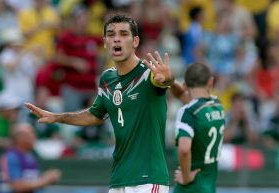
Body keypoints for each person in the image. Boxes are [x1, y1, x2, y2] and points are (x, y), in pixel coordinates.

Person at [25, 14, 175, 193]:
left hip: (149, 179)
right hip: (119, 178)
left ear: (135, 41)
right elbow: (94, 115)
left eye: (123, 34)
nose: (116, 39)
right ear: (105, 42)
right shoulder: (107, 78)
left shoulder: (148, 73)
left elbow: (163, 81)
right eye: (111, 34)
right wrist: (57, 117)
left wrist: (167, 77)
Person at [174, 63, 226, 193]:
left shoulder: (189, 112)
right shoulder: (218, 105)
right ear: (211, 82)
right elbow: (184, 97)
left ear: (185, 85)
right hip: (209, 185)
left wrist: (186, 178)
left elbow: (184, 149)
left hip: (191, 187)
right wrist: (170, 82)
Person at [0, 123, 61, 193]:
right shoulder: (11, 157)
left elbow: (33, 182)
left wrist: (48, 177)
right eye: (31, 133)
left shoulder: (31, 156)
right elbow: (17, 186)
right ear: (19, 137)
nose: (34, 136)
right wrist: (44, 180)